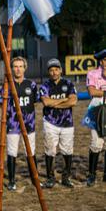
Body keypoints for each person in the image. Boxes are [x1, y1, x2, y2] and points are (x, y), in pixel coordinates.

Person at [0, 57, 40, 191]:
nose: (18, 69)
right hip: (13, 124)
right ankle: (11, 181)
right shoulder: (7, 85)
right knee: (12, 152)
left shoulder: (31, 85)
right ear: (12, 68)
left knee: (31, 151)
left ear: (25, 68)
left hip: (29, 124)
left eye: (20, 66)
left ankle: (35, 180)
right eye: (15, 66)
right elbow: (2, 104)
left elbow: (34, 102)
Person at [40, 59, 78, 188]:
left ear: (61, 70)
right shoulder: (44, 86)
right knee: (50, 150)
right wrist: (64, 99)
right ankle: (50, 178)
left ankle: (65, 178)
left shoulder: (68, 83)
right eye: (51, 70)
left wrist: (55, 103)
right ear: (48, 72)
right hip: (50, 122)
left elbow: (73, 102)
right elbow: (46, 103)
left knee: (67, 151)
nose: (54, 72)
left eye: (56, 69)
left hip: (67, 123)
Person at [83, 49, 106, 186]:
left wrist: (101, 91)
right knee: (96, 142)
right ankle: (91, 174)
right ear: (101, 61)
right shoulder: (92, 73)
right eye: (104, 60)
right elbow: (92, 91)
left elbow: (98, 91)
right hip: (97, 109)